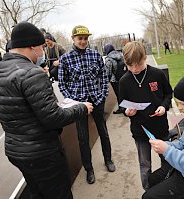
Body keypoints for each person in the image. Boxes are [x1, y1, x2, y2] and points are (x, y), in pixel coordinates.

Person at [0, 21, 93, 199]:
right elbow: (53, 118)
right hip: (42, 153)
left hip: (16, 151)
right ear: (32, 46)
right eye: (42, 47)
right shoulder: (32, 73)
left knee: (37, 193)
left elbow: (8, 111)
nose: (43, 52)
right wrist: (81, 108)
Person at [58, 25, 115, 184]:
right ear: (73, 39)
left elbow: (104, 77)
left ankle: (108, 160)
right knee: (83, 138)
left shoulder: (95, 55)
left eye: (85, 38)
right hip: (79, 105)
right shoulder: (66, 59)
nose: (83, 41)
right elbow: (62, 84)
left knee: (103, 131)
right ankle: (89, 169)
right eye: (80, 38)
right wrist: (75, 103)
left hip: (97, 100)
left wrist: (102, 95)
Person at [119, 41, 173, 190]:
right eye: (131, 66)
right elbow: (122, 104)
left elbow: (168, 93)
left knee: (167, 160)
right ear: (126, 63)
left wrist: (163, 105)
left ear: (145, 58)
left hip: (160, 127)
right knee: (144, 165)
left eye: (138, 64)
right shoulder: (124, 81)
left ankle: (167, 187)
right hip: (140, 130)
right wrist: (127, 111)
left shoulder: (157, 74)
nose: (135, 69)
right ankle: (147, 192)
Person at [104, 44, 126, 114]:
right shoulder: (121, 55)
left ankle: (121, 108)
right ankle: (126, 106)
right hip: (123, 77)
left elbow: (108, 72)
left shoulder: (108, 59)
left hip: (114, 80)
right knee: (124, 93)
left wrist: (106, 80)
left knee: (118, 93)